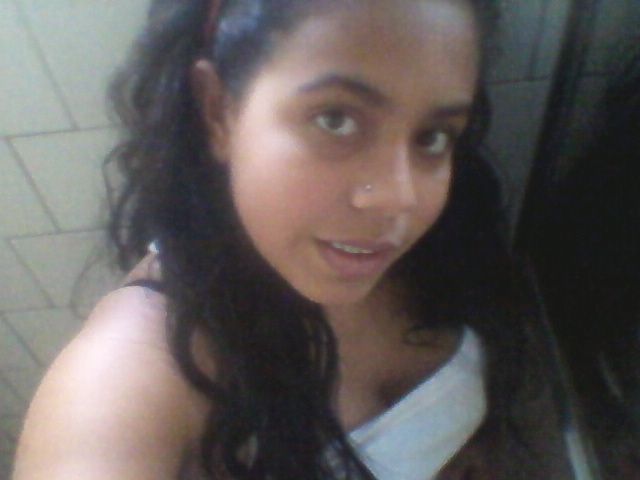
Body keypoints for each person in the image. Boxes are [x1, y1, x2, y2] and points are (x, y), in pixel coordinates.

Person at [13, 1, 571, 479]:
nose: (400, 198)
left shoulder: (450, 236)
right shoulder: (131, 370)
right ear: (219, 111)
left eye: (433, 136)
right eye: (335, 120)